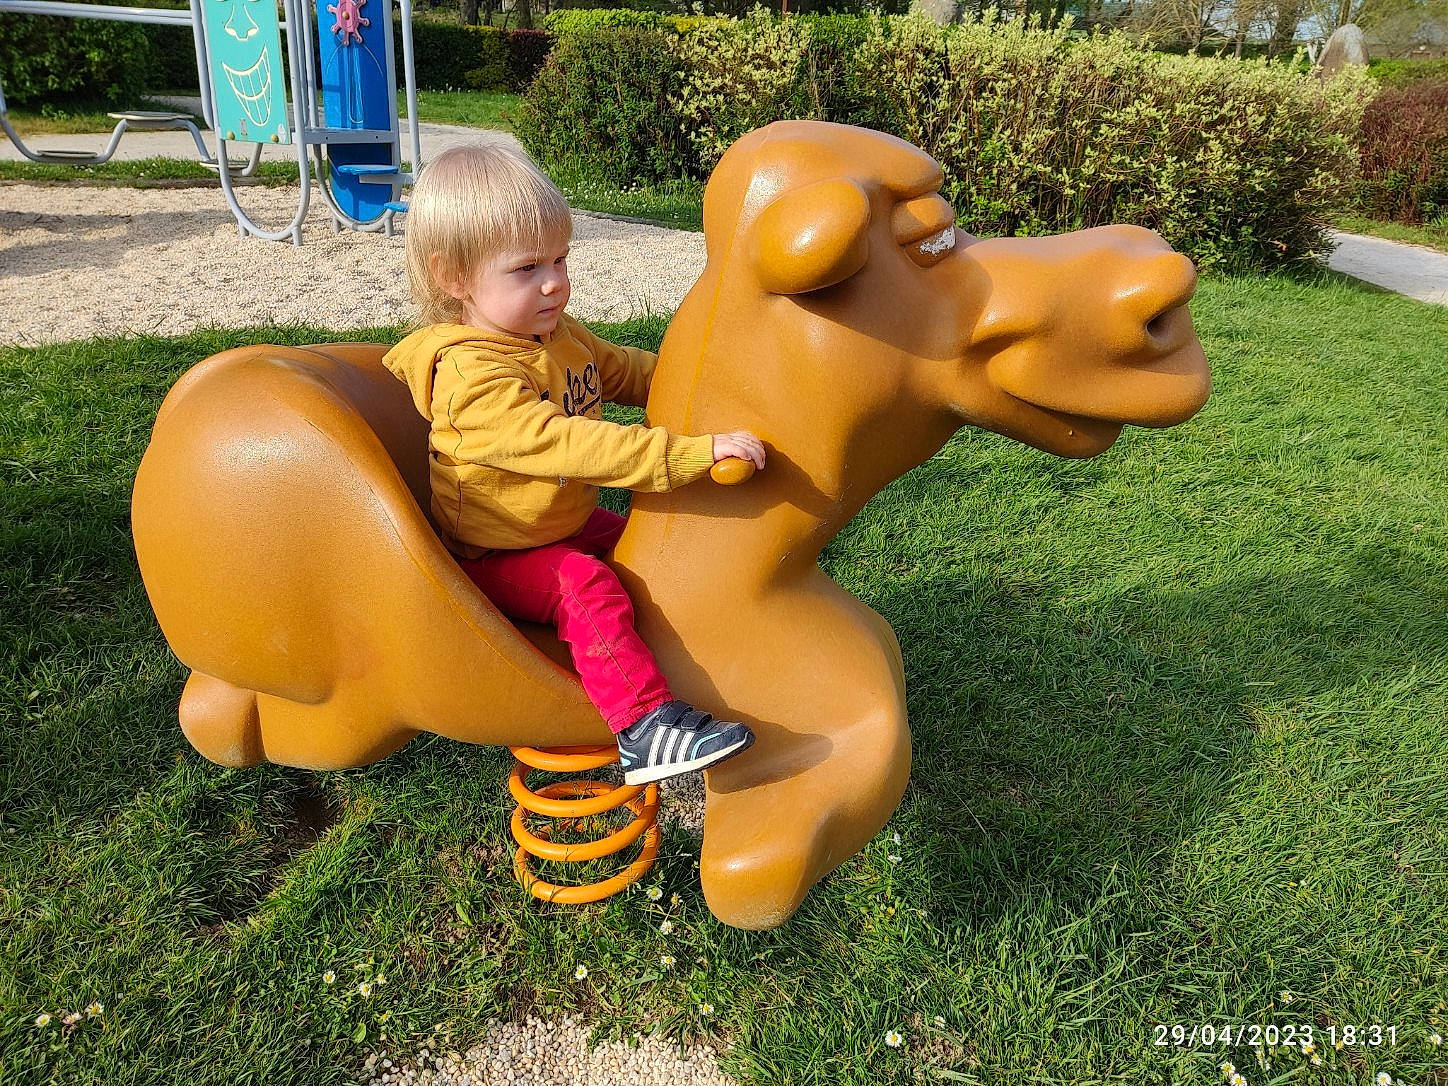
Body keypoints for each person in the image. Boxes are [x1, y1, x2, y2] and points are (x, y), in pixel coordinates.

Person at [383, 142, 763, 786]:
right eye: (527, 267)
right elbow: (570, 444)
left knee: (653, 548)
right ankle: (645, 726)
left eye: (561, 258)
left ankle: (708, 648)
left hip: (559, 521)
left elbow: (630, 372)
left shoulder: (556, 334)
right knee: (583, 587)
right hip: (496, 553)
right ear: (454, 277)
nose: (555, 281)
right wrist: (689, 454)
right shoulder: (472, 378)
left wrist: (710, 389)